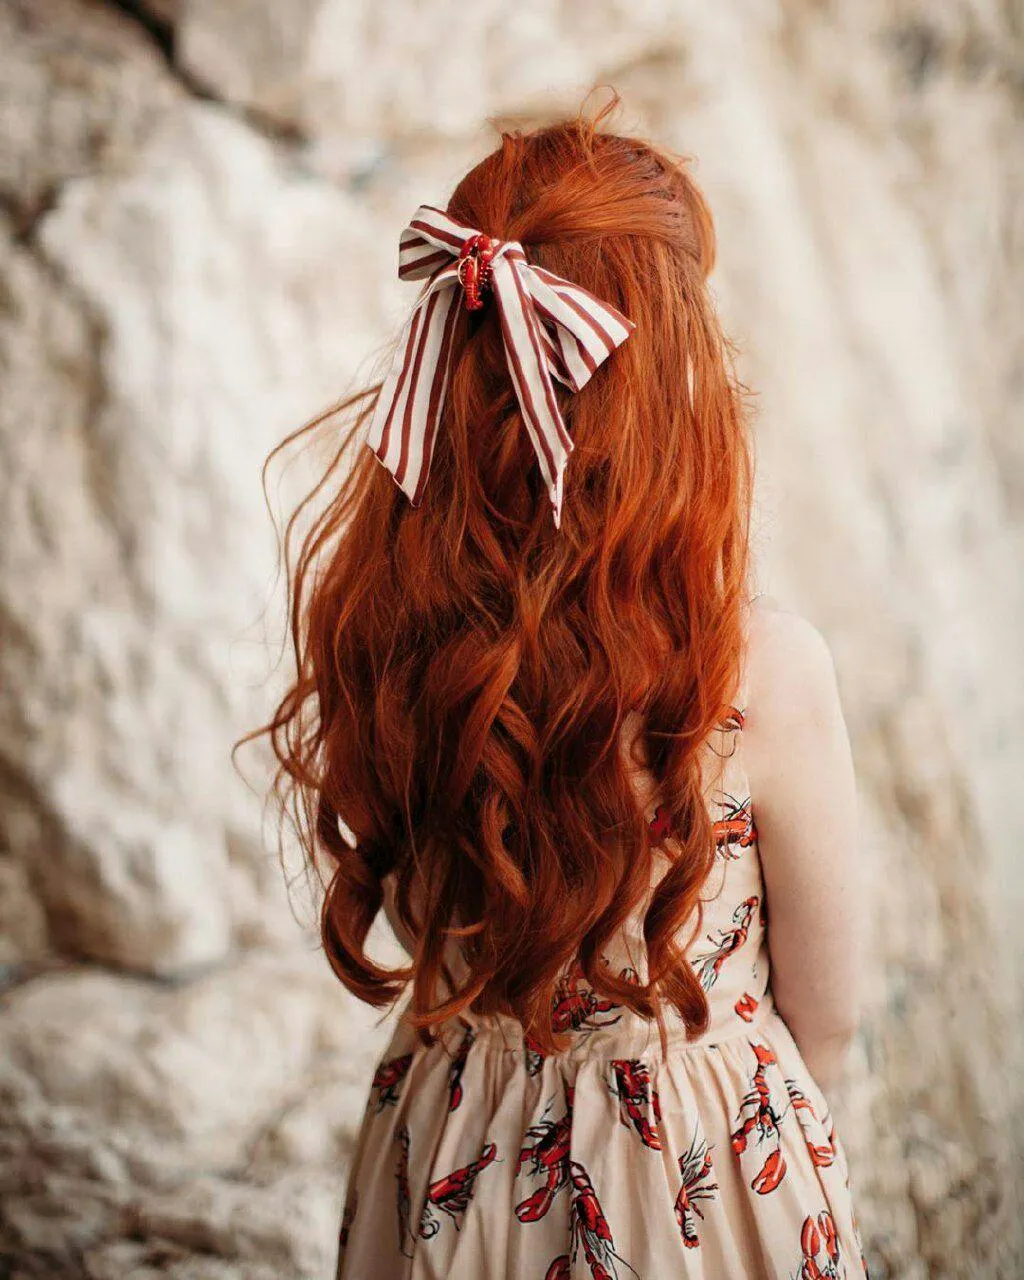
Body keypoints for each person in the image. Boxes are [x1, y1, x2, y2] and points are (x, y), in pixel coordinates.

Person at [258, 94, 869, 1280]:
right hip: (689, 1167)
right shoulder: (756, 665)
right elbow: (827, 1011)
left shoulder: (384, 619)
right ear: (672, 377)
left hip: (453, 1142)